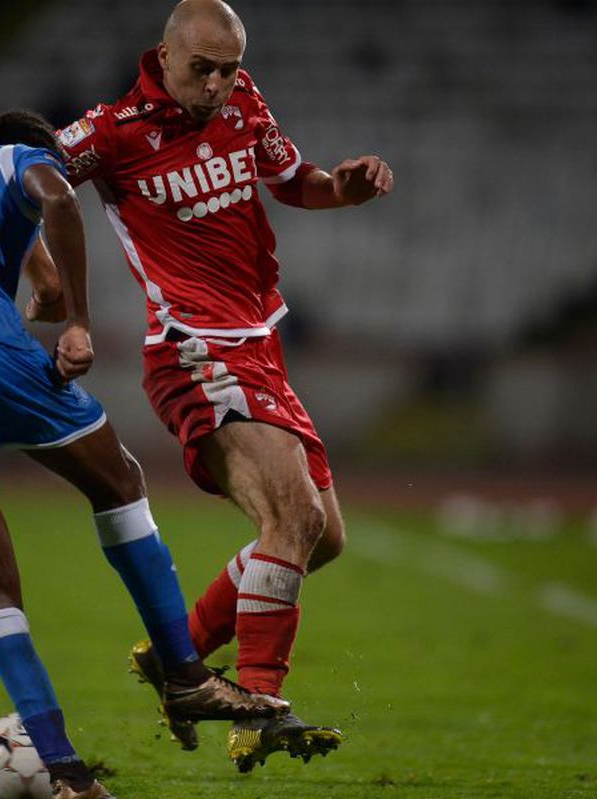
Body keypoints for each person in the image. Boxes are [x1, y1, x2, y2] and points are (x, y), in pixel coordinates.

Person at [0, 104, 287, 799]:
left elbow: (40, 285)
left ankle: (66, 775)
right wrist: (79, 321)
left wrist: (28, 310)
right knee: (120, 481)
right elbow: (57, 201)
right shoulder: (20, 161)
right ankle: (183, 674)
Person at [56, 0, 393, 771]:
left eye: (227, 69)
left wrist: (341, 187)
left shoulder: (244, 104)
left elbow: (293, 180)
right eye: (201, 68)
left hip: (258, 343)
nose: (214, 85)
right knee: (293, 516)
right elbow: (34, 176)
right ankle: (259, 702)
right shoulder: (111, 132)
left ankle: (170, 657)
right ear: (165, 56)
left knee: (323, 537)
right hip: (192, 349)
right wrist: (51, 292)